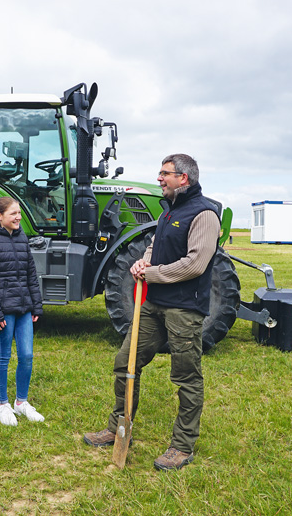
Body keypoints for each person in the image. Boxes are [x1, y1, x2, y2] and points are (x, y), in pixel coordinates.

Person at [83, 154, 221, 471]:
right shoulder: (169, 211)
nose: (159, 179)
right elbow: (154, 246)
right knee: (125, 363)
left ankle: (182, 446)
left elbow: (196, 264)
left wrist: (153, 273)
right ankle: (118, 424)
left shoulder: (205, 214)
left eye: (164, 174)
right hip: (152, 305)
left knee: (186, 377)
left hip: (184, 309)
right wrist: (143, 261)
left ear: (183, 178)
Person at [0, 197, 45, 426]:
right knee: (3, 357)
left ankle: (21, 402)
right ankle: (3, 404)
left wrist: (36, 304)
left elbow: (30, 275)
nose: (18, 217)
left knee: (26, 356)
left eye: (19, 213)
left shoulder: (22, 237)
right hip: (3, 310)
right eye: (13, 213)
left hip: (24, 307)